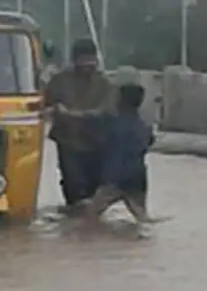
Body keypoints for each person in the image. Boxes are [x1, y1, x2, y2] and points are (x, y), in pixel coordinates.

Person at [43, 38, 114, 209]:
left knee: (95, 188)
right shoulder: (60, 81)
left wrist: (74, 114)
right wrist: (54, 109)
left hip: (96, 143)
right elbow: (47, 104)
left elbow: (108, 110)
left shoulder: (104, 83)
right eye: (84, 60)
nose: (89, 64)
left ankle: (87, 225)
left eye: (92, 60)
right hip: (69, 142)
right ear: (75, 60)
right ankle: (75, 223)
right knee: (73, 186)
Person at [83, 66, 154, 224]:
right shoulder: (144, 124)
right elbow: (148, 143)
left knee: (90, 217)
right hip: (137, 179)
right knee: (142, 219)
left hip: (113, 180)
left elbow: (96, 138)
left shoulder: (110, 121)